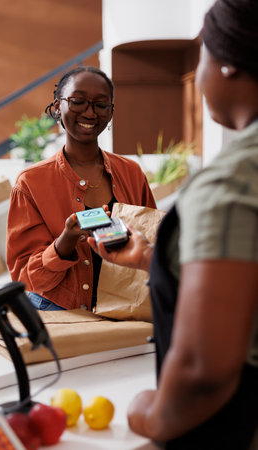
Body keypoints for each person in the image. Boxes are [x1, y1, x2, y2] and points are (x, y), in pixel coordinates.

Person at [88, 1, 258, 448]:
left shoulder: (233, 181)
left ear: (227, 64)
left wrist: (151, 414)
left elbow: (205, 369)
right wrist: (149, 258)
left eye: (201, 53)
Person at [6, 66, 156, 311]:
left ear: (111, 112)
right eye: (78, 101)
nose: (89, 112)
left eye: (101, 104)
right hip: (58, 311)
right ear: (57, 106)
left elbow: (151, 242)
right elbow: (24, 277)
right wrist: (66, 240)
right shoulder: (30, 182)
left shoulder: (131, 172)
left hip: (126, 307)